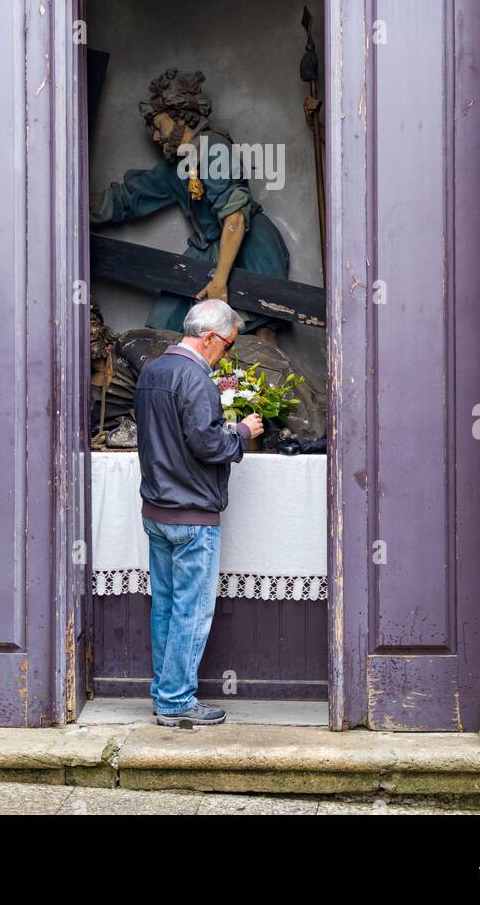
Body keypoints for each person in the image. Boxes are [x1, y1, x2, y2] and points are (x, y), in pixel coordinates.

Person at [134, 298, 264, 726]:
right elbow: (208, 446)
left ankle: (163, 692)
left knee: (166, 607)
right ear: (209, 338)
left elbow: (169, 437)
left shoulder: (152, 370)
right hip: (192, 514)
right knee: (191, 610)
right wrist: (242, 432)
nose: (226, 353)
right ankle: (175, 702)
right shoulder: (195, 378)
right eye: (227, 345)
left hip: (156, 509)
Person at [89, 68, 290, 342]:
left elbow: (235, 217)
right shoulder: (176, 165)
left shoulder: (213, 148)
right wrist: (73, 207)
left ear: (181, 118)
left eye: (160, 126)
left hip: (248, 249)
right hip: (209, 249)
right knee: (167, 319)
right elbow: (128, 199)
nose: (156, 136)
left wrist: (219, 280)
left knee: (253, 332)